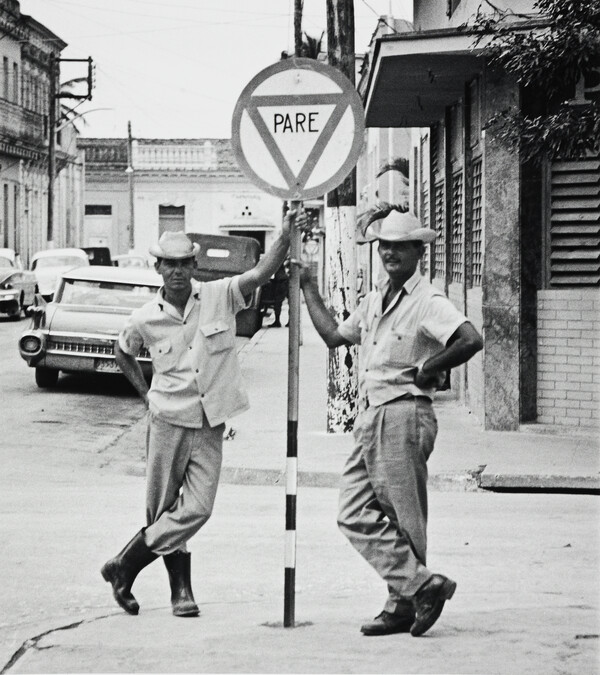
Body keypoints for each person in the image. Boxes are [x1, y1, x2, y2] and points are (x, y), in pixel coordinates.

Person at [101, 209, 306, 618]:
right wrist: (146, 395)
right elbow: (123, 351)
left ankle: (125, 563)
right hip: (167, 420)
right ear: (157, 267)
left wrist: (284, 234)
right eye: (169, 264)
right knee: (162, 510)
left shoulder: (219, 295)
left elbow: (261, 273)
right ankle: (181, 592)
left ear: (195, 265)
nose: (177, 271)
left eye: (183, 263)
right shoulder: (144, 318)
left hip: (210, 421)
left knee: (198, 507)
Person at [297, 209, 483, 637]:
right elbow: (333, 336)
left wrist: (428, 367)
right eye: (385, 246)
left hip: (404, 412)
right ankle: (419, 587)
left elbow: (470, 339)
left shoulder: (427, 300)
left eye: (400, 246)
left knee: (405, 517)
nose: (390, 253)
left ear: (420, 250)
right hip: (372, 415)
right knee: (351, 512)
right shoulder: (377, 297)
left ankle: (403, 603)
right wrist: (308, 287)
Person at [269, 260, 289, 327]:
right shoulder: (289, 256)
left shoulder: (281, 257)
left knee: (278, 302)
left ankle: (277, 321)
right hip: (286, 280)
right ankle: (290, 321)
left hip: (281, 281)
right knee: (291, 303)